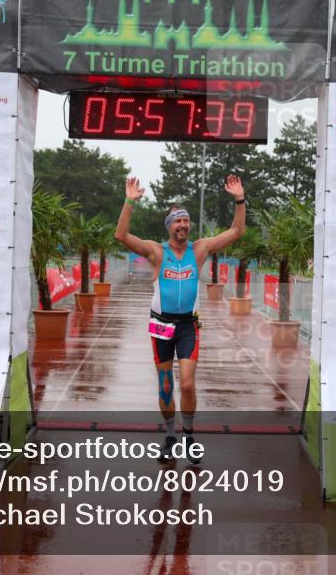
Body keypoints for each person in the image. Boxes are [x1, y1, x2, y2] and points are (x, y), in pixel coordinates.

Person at [115, 174, 246, 464]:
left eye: (186, 220)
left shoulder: (198, 250)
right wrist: (128, 202)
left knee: (186, 384)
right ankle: (170, 435)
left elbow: (236, 231)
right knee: (165, 385)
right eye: (177, 220)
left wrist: (239, 199)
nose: (183, 225)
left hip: (187, 325)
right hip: (160, 324)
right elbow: (121, 236)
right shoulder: (156, 251)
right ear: (169, 226)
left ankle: (188, 437)